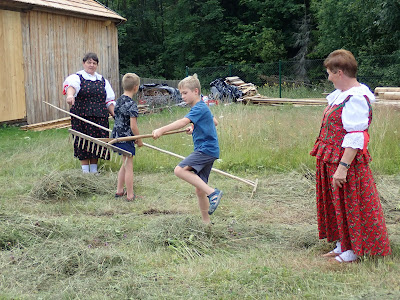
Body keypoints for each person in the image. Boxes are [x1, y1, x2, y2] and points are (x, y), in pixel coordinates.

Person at [310, 49, 391, 263]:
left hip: (345, 161)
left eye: (329, 73)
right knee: (338, 204)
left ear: (339, 72)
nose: (328, 78)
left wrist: (343, 167)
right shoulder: (341, 96)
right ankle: (342, 244)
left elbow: (356, 136)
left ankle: (355, 249)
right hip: (331, 158)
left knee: (351, 204)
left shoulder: (356, 98)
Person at [152, 74, 223, 224]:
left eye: (185, 93)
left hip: (205, 149)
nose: (182, 96)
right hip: (209, 150)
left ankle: (213, 193)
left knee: (179, 170)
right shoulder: (203, 105)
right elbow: (214, 122)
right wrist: (194, 126)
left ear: (195, 91)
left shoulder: (198, 107)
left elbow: (182, 121)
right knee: (199, 189)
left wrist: (161, 130)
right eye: (181, 93)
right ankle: (206, 223)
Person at [63, 52, 116, 173]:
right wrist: (70, 95)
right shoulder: (77, 77)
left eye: (94, 63)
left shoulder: (102, 80)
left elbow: (109, 101)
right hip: (82, 116)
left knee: (97, 142)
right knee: (83, 142)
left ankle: (94, 171)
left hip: (99, 117)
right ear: (84, 63)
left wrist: (115, 115)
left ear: (97, 65)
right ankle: (85, 172)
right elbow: (72, 87)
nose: (91, 65)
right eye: (89, 62)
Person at [112, 73, 143, 202]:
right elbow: (133, 126)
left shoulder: (117, 101)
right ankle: (130, 195)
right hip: (126, 138)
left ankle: (119, 190)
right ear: (136, 88)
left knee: (124, 164)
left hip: (117, 136)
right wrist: (139, 139)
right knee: (129, 166)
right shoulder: (132, 104)